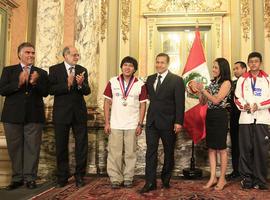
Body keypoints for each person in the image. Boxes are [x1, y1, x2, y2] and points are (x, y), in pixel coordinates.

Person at [0, 42, 48, 190]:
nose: (31, 55)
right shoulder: (8, 71)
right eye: (27, 52)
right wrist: (19, 82)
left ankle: (30, 178)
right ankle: (17, 178)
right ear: (19, 54)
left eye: (33, 53)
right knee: (15, 148)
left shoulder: (41, 72)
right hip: (12, 116)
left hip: (34, 115)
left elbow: (45, 91)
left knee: (32, 148)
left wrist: (34, 83)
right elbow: (2, 90)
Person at [140, 53, 185, 193]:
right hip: (152, 122)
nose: (159, 65)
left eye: (162, 62)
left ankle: (166, 180)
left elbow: (180, 103)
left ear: (167, 64)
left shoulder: (177, 80)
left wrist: (178, 122)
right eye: (157, 62)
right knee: (150, 153)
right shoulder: (150, 79)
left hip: (169, 122)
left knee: (169, 152)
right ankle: (150, 182)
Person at [49, 46, 91, 188]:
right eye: (74, 55)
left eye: (77, 55)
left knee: (81, 146)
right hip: (61, 114)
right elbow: (50, 89)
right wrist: (66, 84)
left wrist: (80, 85)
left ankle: (79, 175)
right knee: (61, 145)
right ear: (65, 55)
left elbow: (87, 90)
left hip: (79, 113)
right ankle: (62, 176)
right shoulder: (54, 69)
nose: (76, 57)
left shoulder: (82, 69)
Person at [103, 56, 147, 189]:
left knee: (130, 153)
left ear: (134, 69)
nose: (127, 68)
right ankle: (115, 178)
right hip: (115, 123)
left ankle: (128, 177)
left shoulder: (140, 84)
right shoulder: (112, 82)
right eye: (125, 65)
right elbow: (106, 102)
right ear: (121, 67)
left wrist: (140, 123)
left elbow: (143, 105)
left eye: (131, 66)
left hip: (132, 124)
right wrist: (107, 122)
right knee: (114, 153)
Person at [234, 52, 270, 190]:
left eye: (256, 61)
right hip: (246, 119)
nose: (253, 64)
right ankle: (247, 180)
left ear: (260, 63)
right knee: (245, 151)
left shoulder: (267, 79)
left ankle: (260, 180)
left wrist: (259, 105)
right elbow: (237, 97)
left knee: (261, 150)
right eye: (251, 61)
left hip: (262, 119)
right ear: (248, 64)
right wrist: (245, 105)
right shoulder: (242, 79)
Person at [196, 58, 231, 190]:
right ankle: (213, 177)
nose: (213, 69)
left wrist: (205, 91)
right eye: (213, 67)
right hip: (210, 115)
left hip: (220, 116)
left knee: (221, 148)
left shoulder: (226, 83)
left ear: (222, 68)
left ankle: (222, 178)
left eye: (216, 67)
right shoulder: (212, 83)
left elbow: (216, 100)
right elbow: (203, 103)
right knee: (211, 148)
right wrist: (200, 91)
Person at [226, 61, 247, 181]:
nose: (235, 71)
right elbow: (229, 100)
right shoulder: (233, 83)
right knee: (235, 145)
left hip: (246, 117)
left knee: (246, 145)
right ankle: (236, 171)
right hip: (234, 118)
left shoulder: (248, 81)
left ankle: (247, 172)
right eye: (234, 69)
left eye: (237, 68)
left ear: (244, 69)